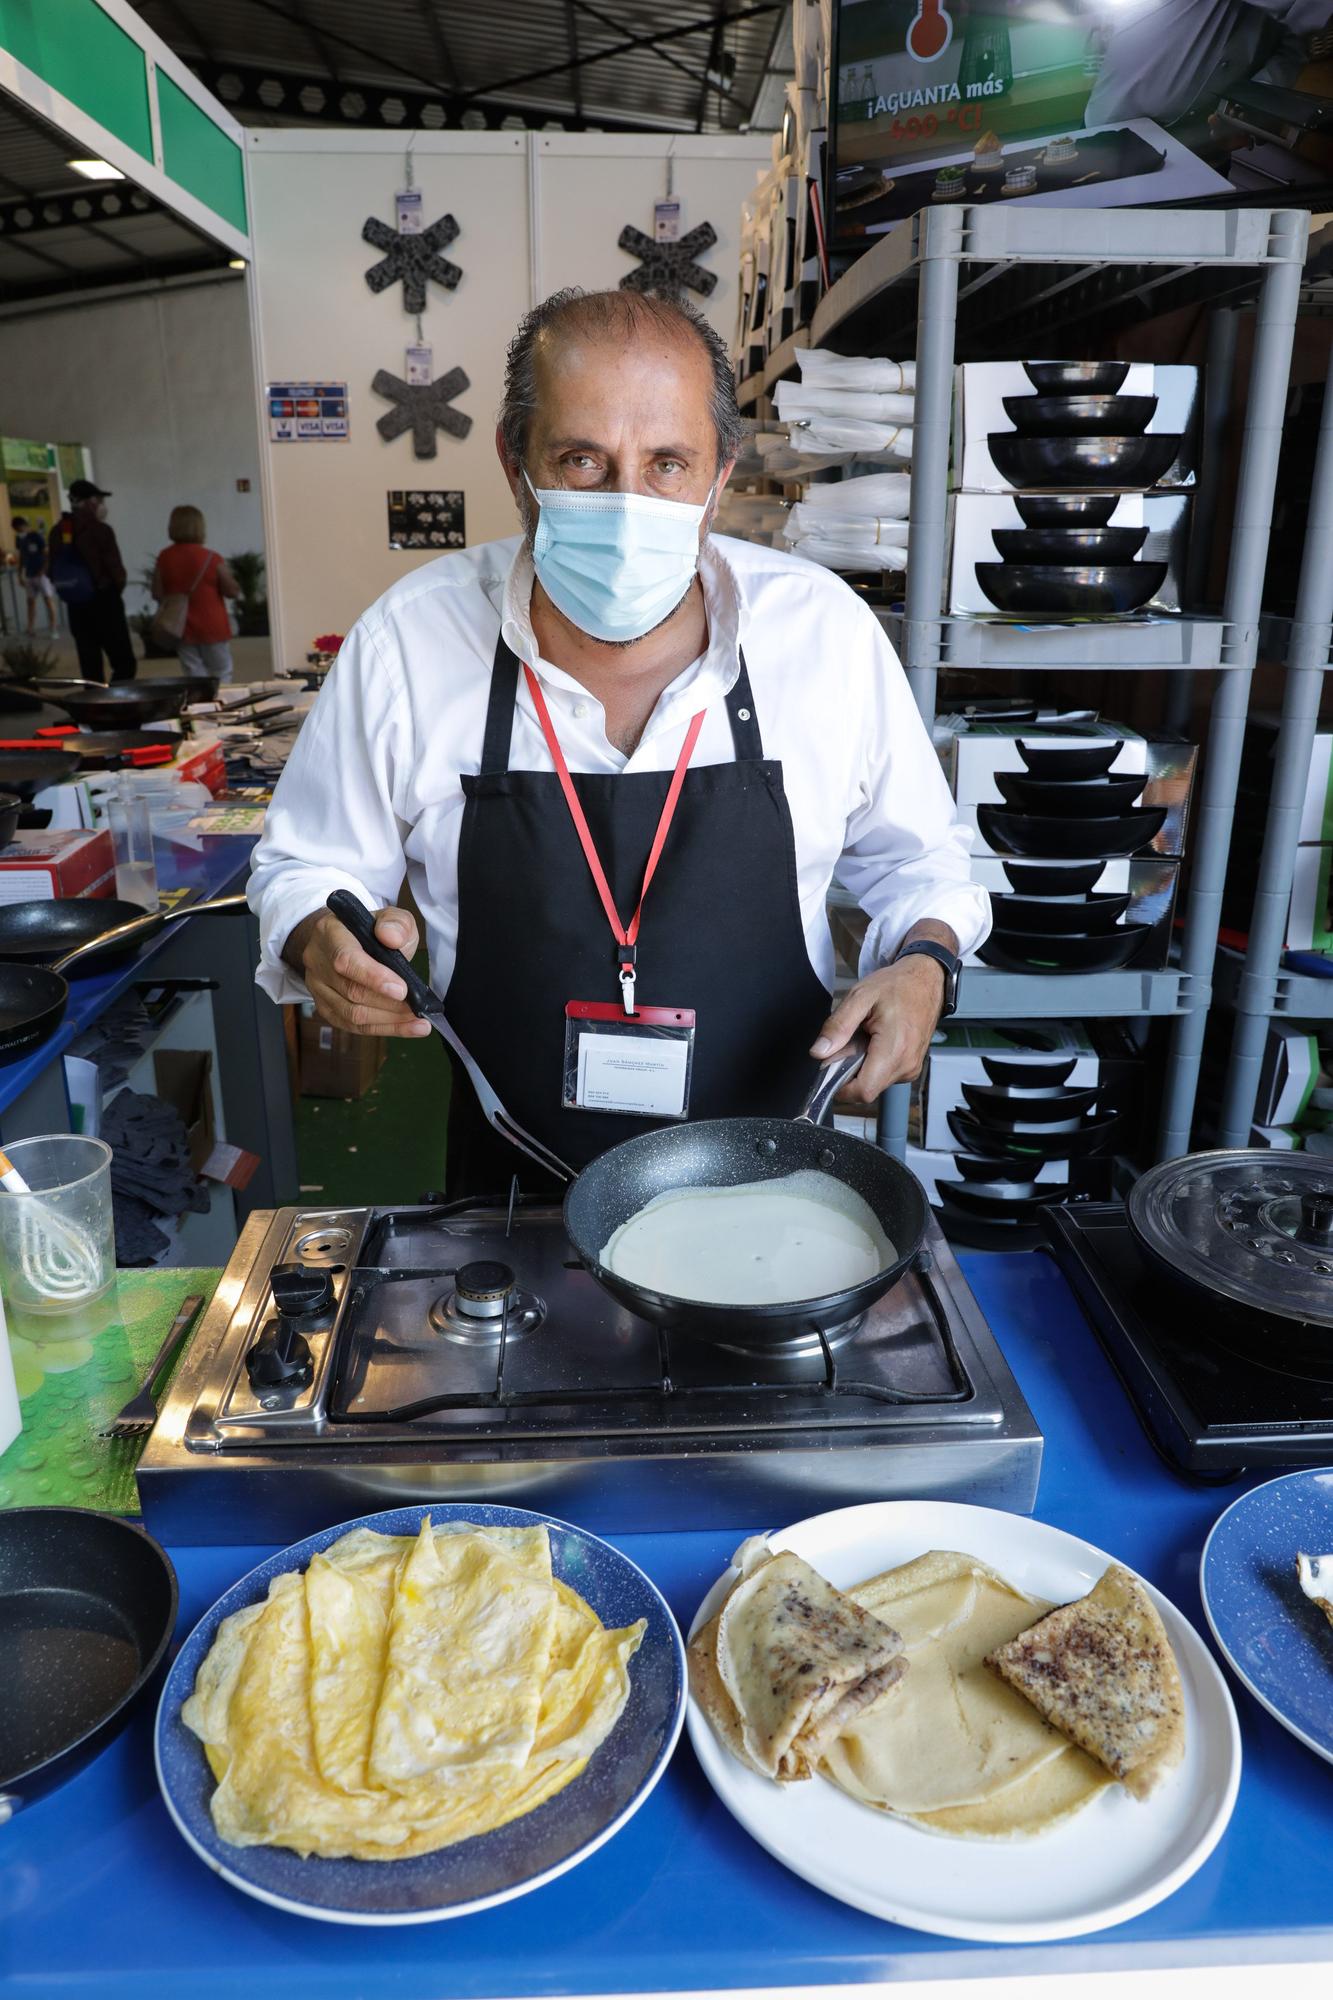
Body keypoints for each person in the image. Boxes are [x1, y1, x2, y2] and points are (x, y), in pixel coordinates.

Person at [249, 288, 990, 1194]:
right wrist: (313, 938)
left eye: (668, 464)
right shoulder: (407, 643)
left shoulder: (821, 636)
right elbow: (301, 867)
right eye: (582, 460)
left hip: (769, 1189)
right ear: (515, 465)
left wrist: (924, 962)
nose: (628, 503)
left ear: (720, 478)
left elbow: (925, 864)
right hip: (506, 1192)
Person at [47, 478, 136, 683]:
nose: (102, 505)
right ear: (89, 502)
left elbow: (52, 569)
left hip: (76, 604)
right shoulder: (101, 530)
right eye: (99, 500)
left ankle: (94, 706)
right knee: (124, 662)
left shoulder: (57, 531)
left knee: (90, 664)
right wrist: (114, 589)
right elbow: (116, 570)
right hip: (105, 600)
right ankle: (117, 701)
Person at [152, 506, 239, 683]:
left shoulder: (165, 557)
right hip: (213, 624)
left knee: (194, 674)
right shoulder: (211, 558)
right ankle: (221, 704)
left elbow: (157, 592)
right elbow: (231, 591)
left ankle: (201, 705)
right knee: (221, 671)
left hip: (181, 626)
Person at [10, 516, 58, 639]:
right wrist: (19, 575)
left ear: (23, 525)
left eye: (18, 529)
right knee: (30, 602)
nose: (18, 532)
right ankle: (30, 628)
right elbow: (21, 558)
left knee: (48, 600)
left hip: (42, 575)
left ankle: (53, 628)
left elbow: (47, 554)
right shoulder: (21, 540)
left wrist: (43, 571)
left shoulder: (37, 536)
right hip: (29, 575)